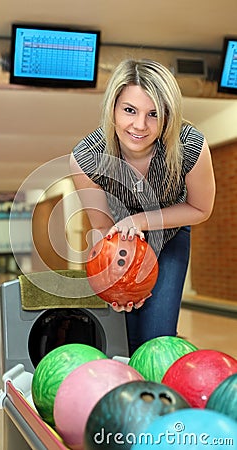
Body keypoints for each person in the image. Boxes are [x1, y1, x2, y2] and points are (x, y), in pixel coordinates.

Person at [70, 58, 216, 355]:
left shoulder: (189, 145)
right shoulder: (87, 157)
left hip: (171, 232)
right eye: (129, 110)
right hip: (117, 238)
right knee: (124, 337)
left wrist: (140, 220)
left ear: (167, 115)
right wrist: (113, 281)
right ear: (113, 107)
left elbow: (201, 208)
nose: (140, 125)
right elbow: (101, 226)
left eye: (153, 114)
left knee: (155, 338)